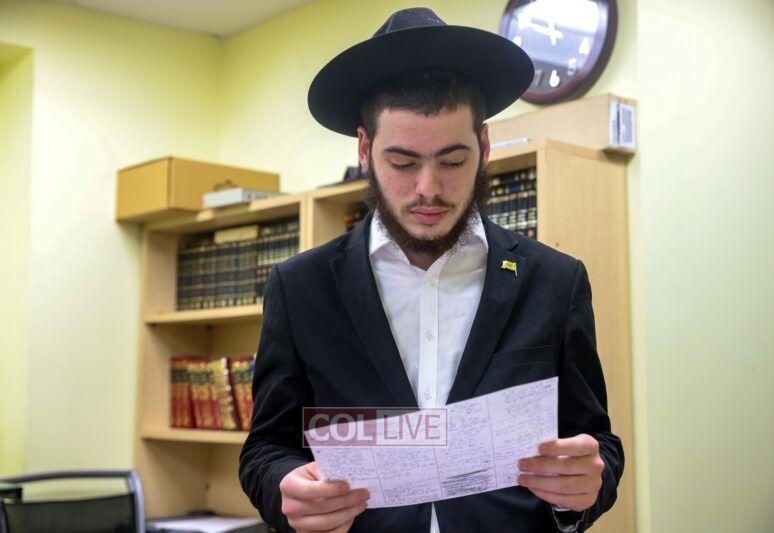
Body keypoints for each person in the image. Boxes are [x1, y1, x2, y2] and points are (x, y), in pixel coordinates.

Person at [239, 7, 623, 533]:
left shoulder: (554, 282)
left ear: (483, 147)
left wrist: (583, 488)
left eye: (452, 161)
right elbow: (266, 447)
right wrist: (285, 485)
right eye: (402, 163)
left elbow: (597, 443)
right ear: (365, 150)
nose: (428, 189)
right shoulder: (301, 288)